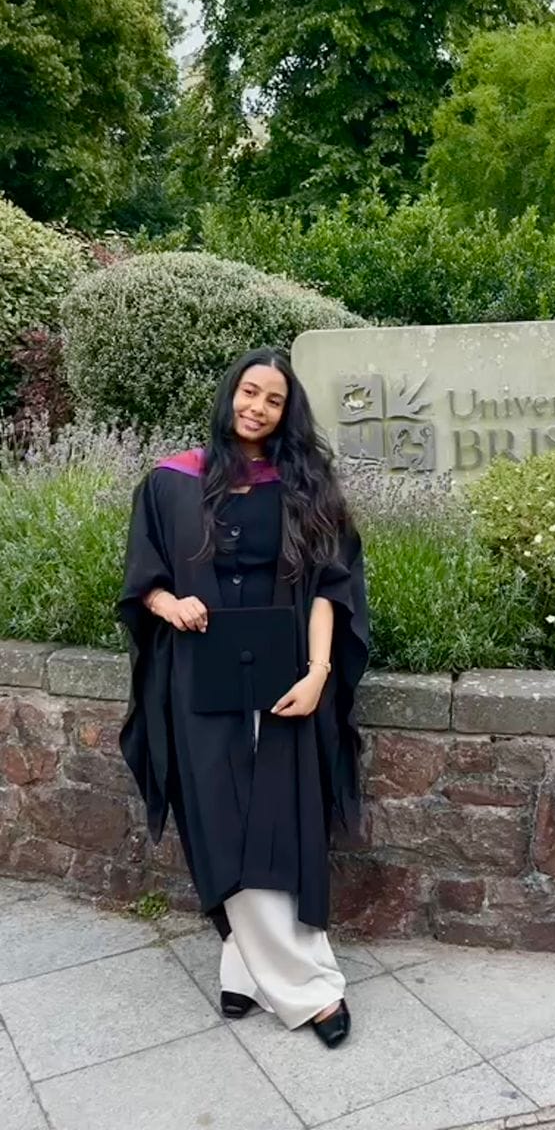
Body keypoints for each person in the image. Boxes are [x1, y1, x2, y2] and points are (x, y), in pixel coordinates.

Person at [117, 346, 370, 1049]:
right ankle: (302, 986)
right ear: (230, 393)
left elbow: (331, 588)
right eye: (249, 392)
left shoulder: (304, 485)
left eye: (274, 400)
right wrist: (170, 606)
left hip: (284, 672)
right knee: (223, 818)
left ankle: (253, 973)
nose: (257, 407)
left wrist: (319, 673)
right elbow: (143, 580)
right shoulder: (170, 482)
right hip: (200, 674)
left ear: (288, 413)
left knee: (278, 819)